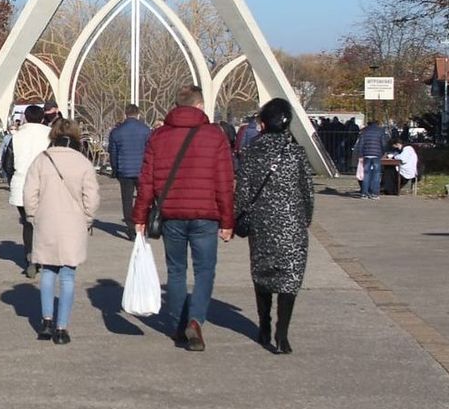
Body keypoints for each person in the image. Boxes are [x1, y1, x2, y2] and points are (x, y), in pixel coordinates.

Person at [132, 85, 234, 352]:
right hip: (206, 215)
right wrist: (227, 220)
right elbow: (224, 181)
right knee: (204, 271)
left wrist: (140, 215)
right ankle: (195, 320)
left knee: (176, 271)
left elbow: (147, 181)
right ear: (200, 106)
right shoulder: (215, 135)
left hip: (171, 214)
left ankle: (178, 323)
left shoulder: (159, 136)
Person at [234, 99, 314, 354]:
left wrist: (238, 217)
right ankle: (282, 333)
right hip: (292, 223)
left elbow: (243, 192)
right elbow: (308, 192)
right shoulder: (296, 153)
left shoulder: (251, 152)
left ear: (263, 123)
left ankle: (264, 325)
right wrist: (305, 218)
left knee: (262, 273)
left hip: (262, 223)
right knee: (289, 277)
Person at [23, 119, 99, 345]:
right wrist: (86, 218)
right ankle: (61, 327)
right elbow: (91, 197)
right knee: (67, 274)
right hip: (73, 223)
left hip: (46, 220)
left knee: (48, 271)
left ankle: (46, 321)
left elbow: (29, 193)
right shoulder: (83, 162)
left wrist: (32, 216)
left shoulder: (41, 160)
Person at [8, 104, 51, 278]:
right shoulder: (50, 135)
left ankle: (30, 257)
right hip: (44, 183)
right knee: (43, 222)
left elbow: (8, 162)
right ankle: (42, 256)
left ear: (25, 117)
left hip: (21, 182)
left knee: (28, 223)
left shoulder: (16, 136)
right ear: (42, 118)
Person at [107, 104, 151, 236]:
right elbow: (150, 151)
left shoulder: (117, 132)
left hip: (124, 170)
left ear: (125, 114)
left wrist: (115, 169)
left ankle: (131, 228)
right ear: (138, 114)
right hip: (141, 170)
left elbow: (113, 153)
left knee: (126, 199)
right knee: (144, 198)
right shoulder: (145, 130)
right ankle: (144, 224)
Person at [354, 119, 386, 200]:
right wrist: (383, 153)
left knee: (366, 174)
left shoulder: (364, 131)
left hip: (366, 155)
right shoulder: (380, 131)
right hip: (377, 155)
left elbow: (360, 144)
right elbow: (383, 144)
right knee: (376, 174)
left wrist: (361, 155)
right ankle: (374, 193)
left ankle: (364, 193)